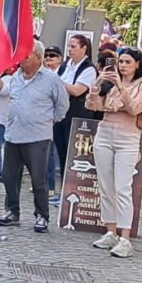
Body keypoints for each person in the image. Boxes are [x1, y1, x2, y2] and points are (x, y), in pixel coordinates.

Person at [85, 47, 142, 258]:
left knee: (123, 187)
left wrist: (121, 87)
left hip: (128, 138)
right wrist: (98, 83)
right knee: (105, 186)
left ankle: (125, 238)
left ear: (137, 64)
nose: (123, 66)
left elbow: (134, 109)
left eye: (127, 62)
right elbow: (93, 106)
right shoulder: (110, 83)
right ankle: (110, 231)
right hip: (105, 133)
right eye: (120, 62)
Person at [0, 41, 68, 233]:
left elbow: (62, 105)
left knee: (38, 179)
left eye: (25, 55)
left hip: (37, 136)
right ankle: (12, 211)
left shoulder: (51, 79)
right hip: (13, 134)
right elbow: (8, 95)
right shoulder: (16, 77)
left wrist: (48, 121)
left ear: (38, 57)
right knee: (9, 176)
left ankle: (42, 215)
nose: (21, 58)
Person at [55, 34, 98, 185]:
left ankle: (72, 188)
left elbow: (77, 90)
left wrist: (57, 81)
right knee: (61, 152)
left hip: (77, 117)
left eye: (73, 46)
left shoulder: (89, 69)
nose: (70, 50)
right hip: (61, 115)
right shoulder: (64, 65)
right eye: (69, 46)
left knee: (73, 155)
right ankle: (62, 188)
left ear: (84, 48)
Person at [42, 46, 64, 202]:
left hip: (55, 118)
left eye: (53, 56)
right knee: (43, 152)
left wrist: (56, 117)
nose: (49, 58)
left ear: (60, 59)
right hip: (43, 118)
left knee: (50, 153)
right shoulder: (42, 74)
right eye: (47, 55)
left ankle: (50, 187)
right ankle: (43, 183)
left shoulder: (60, 74)